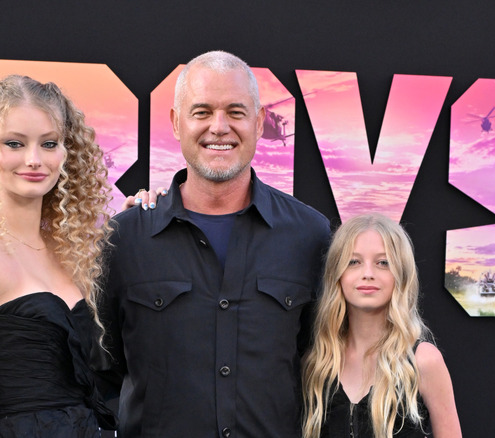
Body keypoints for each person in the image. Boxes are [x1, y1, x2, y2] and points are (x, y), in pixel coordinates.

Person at [99, 50, 332, 437]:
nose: (219, 127)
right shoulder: (125, 239)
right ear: (176, 123)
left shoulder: (309, 235)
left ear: (258, 123)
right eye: (202, 112)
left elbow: (327, 362)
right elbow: (99, 373)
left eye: (236, 112)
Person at [0, 75, 116, 437]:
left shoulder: (70, 250)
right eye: (14, 143)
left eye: (49, 143)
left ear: (65, 151)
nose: (34, 160)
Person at [301, 213, 461, 438]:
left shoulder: (422, 361)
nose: (368, 274)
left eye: (383, 263)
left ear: (401, 274)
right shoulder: (319, 363)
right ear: (337, 274)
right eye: (353, 262)